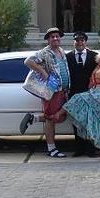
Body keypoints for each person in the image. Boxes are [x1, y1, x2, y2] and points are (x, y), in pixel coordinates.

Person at [19, 27, 70, 158]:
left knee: (60, 116)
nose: (55, 38)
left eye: (57, 36)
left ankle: (34, 118)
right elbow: (27, 61)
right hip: (51, 92)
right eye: (52, 37)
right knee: (50, 119)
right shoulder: (44, 53)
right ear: (48, 39)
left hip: (62, 90)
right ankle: (51, 149)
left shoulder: (61, 51)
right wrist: (42, 72)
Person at [66, 31, 98, 157]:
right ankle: (79, 149)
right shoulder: (67, 57)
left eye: (82, 40)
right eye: (77, 40)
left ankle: (91, 149)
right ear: (73, 42)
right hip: (74, 94)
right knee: (77, 122)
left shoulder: (95, 56)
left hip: (90, 94)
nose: (79, 42)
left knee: (90, 122)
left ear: (85, 42)